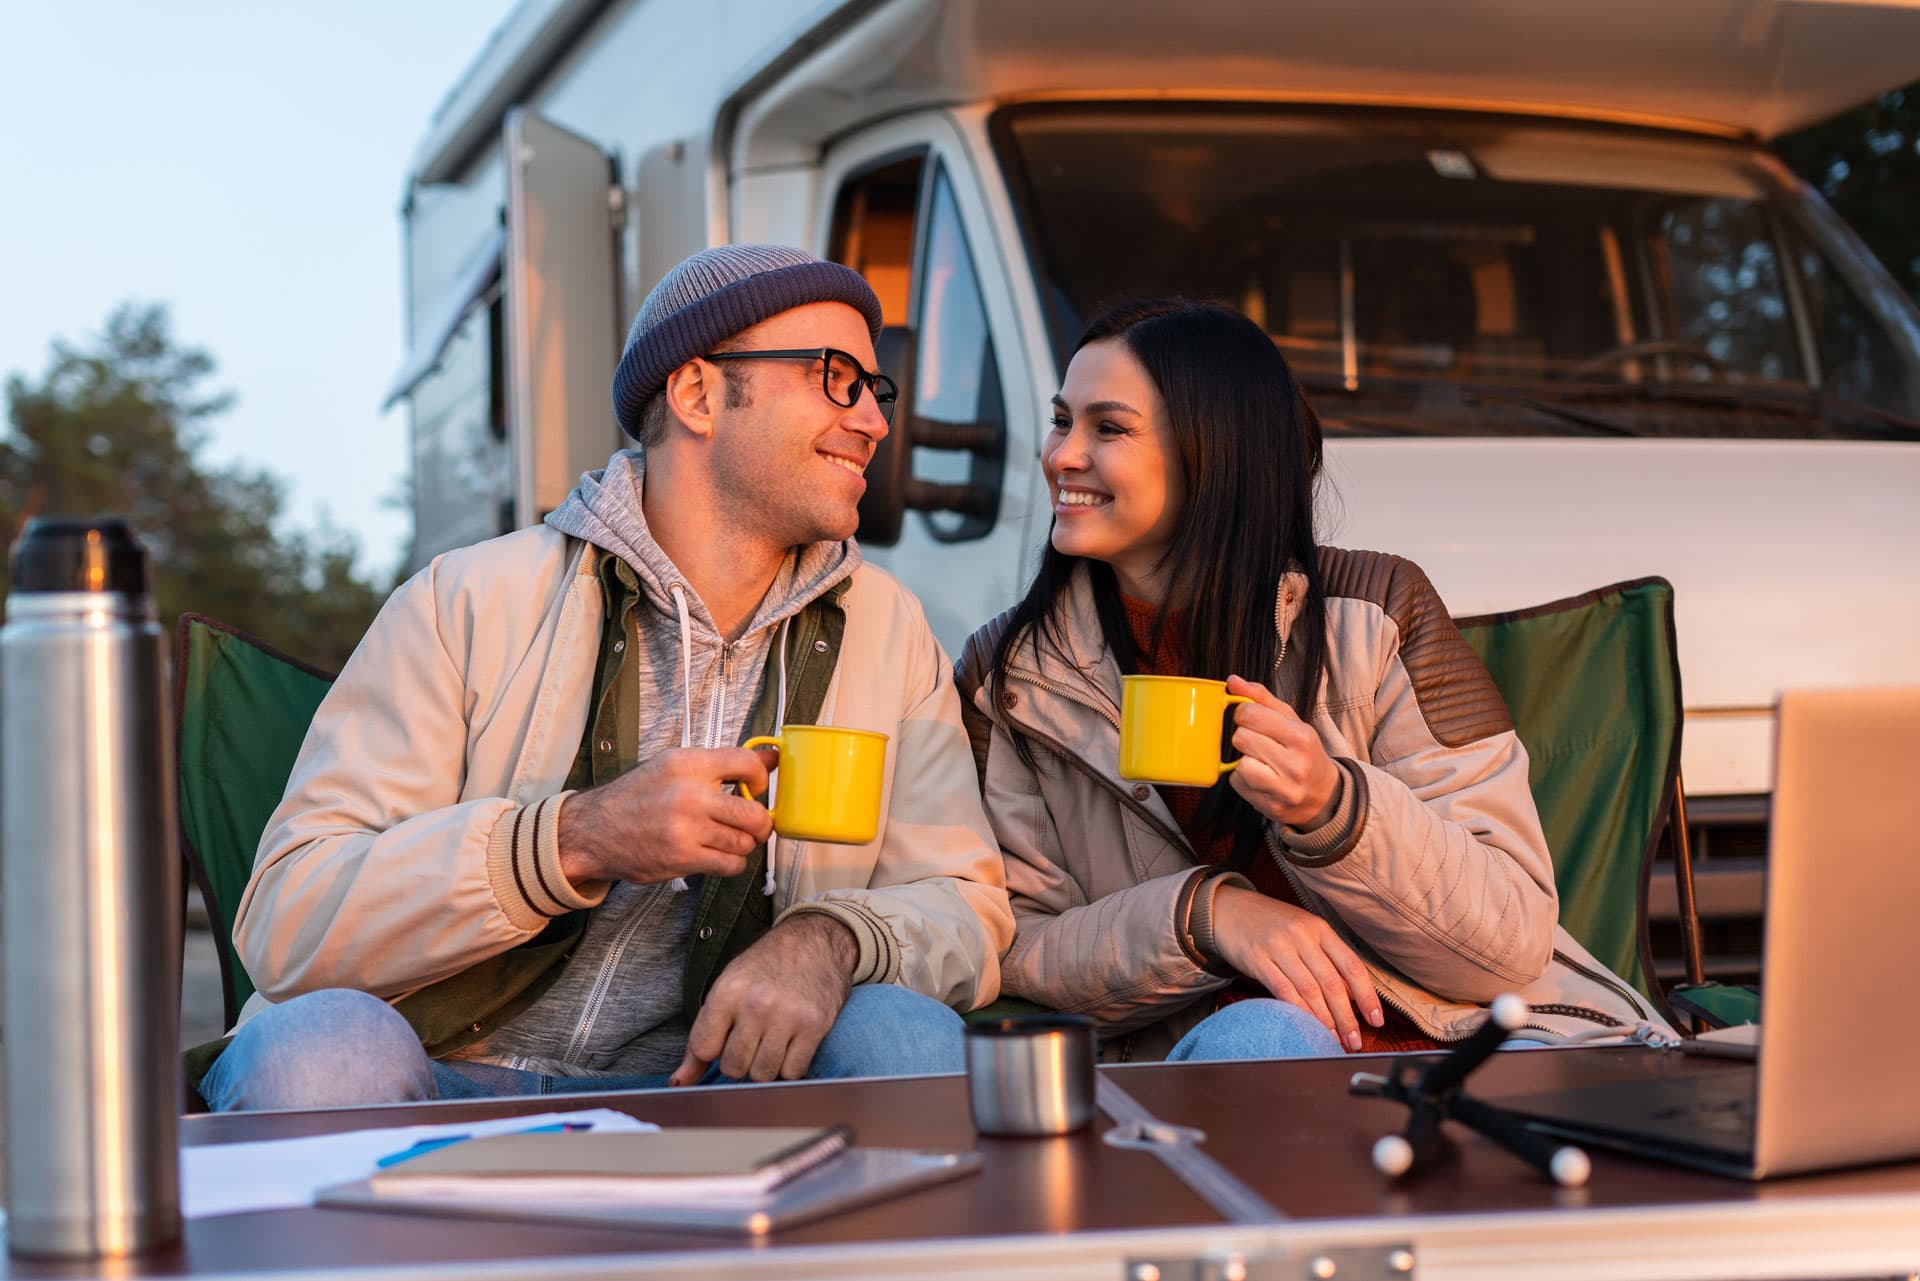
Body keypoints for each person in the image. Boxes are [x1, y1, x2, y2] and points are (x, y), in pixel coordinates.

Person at [200, 246, 1013, 1110]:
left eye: (874, 391)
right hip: (441, 1076)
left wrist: (828, 938)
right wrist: (571, 839)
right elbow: (289, 916)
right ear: (697, 394)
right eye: (835, 377)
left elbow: (967, 906)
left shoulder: (886, 629)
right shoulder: (468, 599)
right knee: (320, 1052)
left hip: (715, 1090)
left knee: (907, 1038)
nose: (875, 422)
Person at [955, 299, 1670, 1063]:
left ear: (1215, 450)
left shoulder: (1379, 615)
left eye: (1110, 427)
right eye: (1063, 421)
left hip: (1447, 1055)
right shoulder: (1013, 678)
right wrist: (1207, 916)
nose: (1061, 455)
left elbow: (1512, 943)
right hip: (1211, 1067)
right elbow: (1012, 942)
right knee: (1261, 1035)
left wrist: (1334, 808)